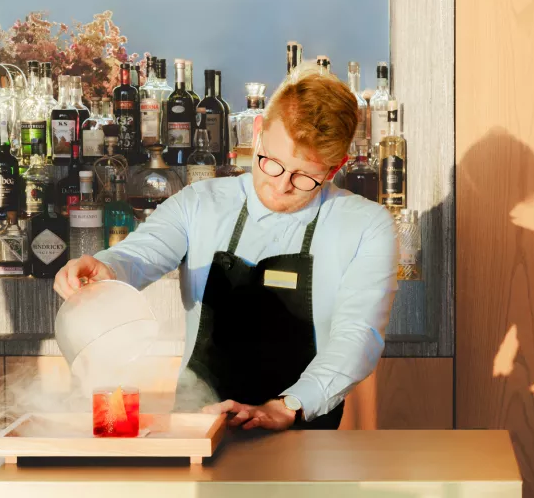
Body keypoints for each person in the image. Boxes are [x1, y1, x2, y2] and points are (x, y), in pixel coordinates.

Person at [53, 62, 398, 431]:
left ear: (334, 169)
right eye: (272, 164)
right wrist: (106, 271)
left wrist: (288, 406)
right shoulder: (201, 203)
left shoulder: (366, 226)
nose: (281, 187)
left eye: (304, 176)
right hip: (199, 429)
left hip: (303, 435)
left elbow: (357, 337)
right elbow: (138, 254)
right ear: (259, 132)